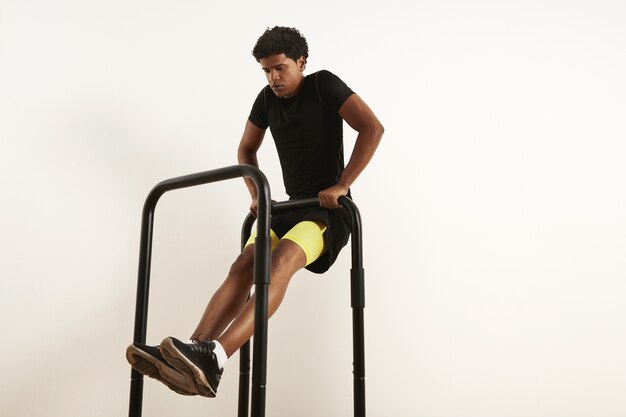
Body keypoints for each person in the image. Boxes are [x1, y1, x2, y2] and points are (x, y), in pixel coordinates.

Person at [126, 26, 384, 397]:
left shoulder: (324, 86)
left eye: (280, 68)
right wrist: (255, 193)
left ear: (301, 62)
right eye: (266, 71)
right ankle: (195, 352)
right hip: (286, 209)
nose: (273, 78)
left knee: (278, 263)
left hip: (326, 213)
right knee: (244, 264)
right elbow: (246, 151)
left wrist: (342, 184)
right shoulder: (266, 100)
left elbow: (372, 127)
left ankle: (216, 356)